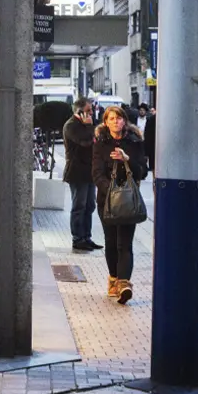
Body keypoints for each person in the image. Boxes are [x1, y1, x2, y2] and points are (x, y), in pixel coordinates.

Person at [92, 106, 147, 305]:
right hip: (106, 201)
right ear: (106, 122)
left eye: (119, 118)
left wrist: (127, 159)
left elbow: (143, 171)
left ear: (125, 121)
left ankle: (124, 284)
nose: (116, 122)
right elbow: (97, 173)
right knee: (111, 242)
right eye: (111, 119)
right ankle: (114, 278)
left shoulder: (134, 141)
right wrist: (111, 192)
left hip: (129, 200)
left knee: (125, 242)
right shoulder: (100, 143)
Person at [62, 98, 101, 252]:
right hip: (77, 172)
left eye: (91, 110)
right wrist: (89, 126)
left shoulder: (87, 125)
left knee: (90, 205)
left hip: (89, 171)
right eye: (88, 110)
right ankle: (78, 238)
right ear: (79, 111)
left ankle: (87, 236)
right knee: (79, 205)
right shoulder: (71, 126)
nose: (91, 113)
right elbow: (86, 141)